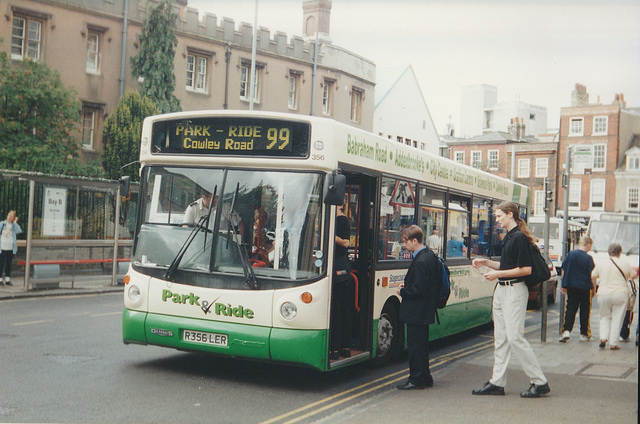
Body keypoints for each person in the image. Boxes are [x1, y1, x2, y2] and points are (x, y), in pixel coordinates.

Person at [471, 201, 550, 398]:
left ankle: (540, 382)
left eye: (499, 216)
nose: (496, 220)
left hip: (514, 291)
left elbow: (526, 270)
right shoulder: (510, 237)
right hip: (503, 291)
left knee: (515, 338)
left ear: (510, 214)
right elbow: (507, 265)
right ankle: (497, 382)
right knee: (501, 339)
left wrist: (498, 275)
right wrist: (486, 262)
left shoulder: (520, 238)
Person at [396, 225, 441, 390]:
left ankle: (416, 379)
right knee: (421, 347)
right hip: (424, 310)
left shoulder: (421, 260)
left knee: (415, 347)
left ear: (415, 240)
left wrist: (403, 291)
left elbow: (418, 290)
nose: (404, 245)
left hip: (416, 311)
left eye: (406, 242)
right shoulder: (429, 255)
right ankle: (425, 377)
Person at [591, 243, 637, 350]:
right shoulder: (625, 263)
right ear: (620, 252)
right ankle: (613, 343)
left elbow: (593, 275)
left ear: (609, 252)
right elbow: (634, 275)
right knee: (617, 318)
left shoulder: (602, 264)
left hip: (603, 293)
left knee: (604, 316)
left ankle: (603, 338)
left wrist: (594, 290)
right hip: (620, 293)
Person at [559, 236, 596, 342]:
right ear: (588, 245)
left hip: (572, 286)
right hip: (585, 287)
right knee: (585, 310)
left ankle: (566, 331)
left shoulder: (571, 254)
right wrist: (594, 289)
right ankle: (584, 333)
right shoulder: (588, 258)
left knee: (570, 308)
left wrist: (564, 285)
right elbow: (592, 275)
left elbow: (565, 270)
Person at [329, 199, 353, 360]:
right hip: (335, 267)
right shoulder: (332, 218)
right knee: (338, 311)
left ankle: (337, 349)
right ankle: (340, 348)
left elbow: (345, 242)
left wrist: (330, 233)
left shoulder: (341, 220)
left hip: (341, 270)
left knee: (338, 311)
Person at [0, 210, 23, 286]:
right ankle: (0, 279)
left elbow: (19, 231)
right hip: (2, 247)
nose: (9, 217)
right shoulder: (2, 224)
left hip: (10, 247)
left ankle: (7, 279)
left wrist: (15, 222)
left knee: (8, 264)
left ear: (14, 218)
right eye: (9, 215)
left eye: (11, 216)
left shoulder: (14, 225)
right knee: (1, 263)